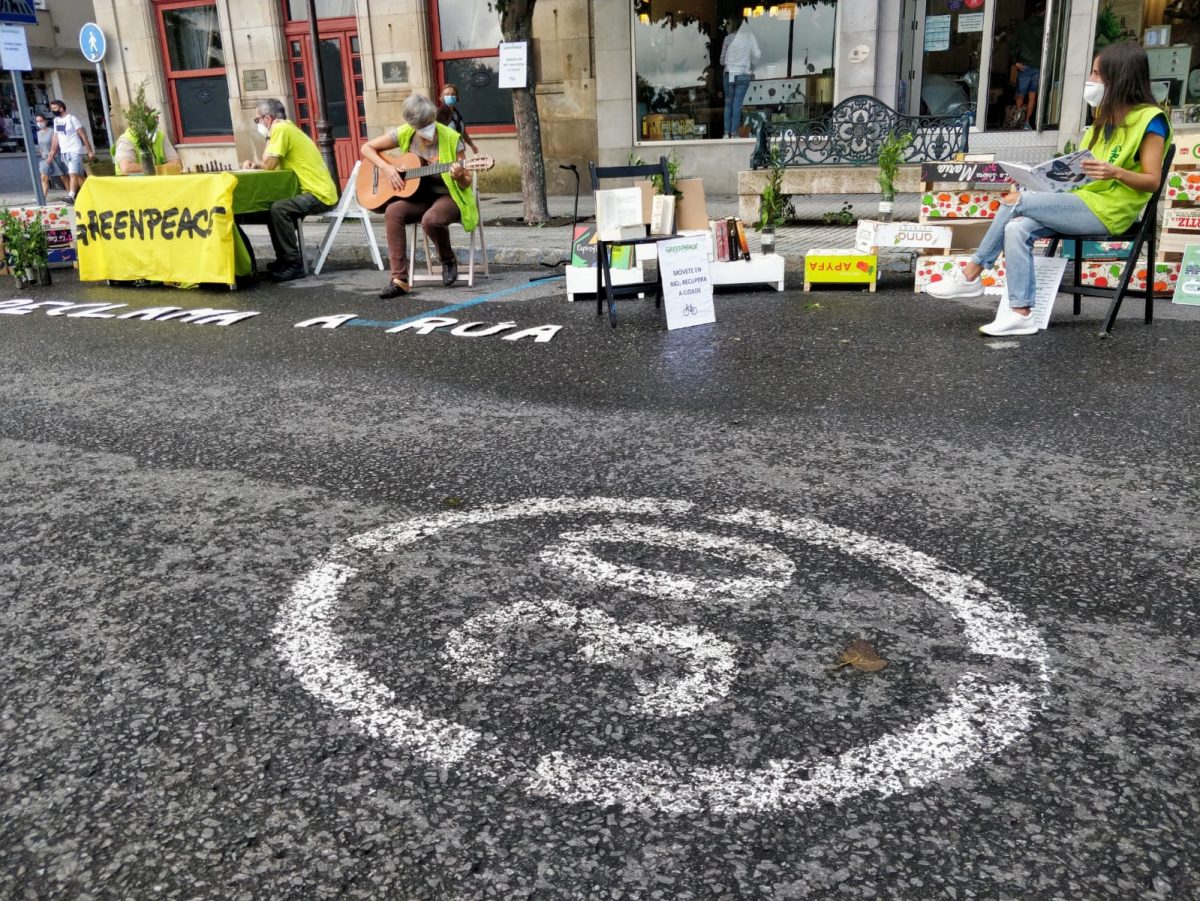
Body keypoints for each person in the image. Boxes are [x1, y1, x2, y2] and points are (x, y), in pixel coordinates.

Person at [926, 42, 1170, 337]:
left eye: (1096, 73)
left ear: (1120, 77)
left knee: (1017, 201)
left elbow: (1152, 181)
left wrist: (1115, 172)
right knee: (1016, 227)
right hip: (1082, 201)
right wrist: (1050, 179)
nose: (1091, 80)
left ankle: (972, 274)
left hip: (1111, 211)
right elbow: (1082, 172)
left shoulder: (1150, 120)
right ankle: (1020, 313)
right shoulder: (1103, 118)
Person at [360, 93, 478, 299]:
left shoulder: (452, 138)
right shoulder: (405, 133)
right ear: (412, 125)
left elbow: (467, 181)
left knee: (431, 220)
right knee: (393, 211)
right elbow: (366, 148)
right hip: (419, 195)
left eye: (429, 123)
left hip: (449, 196)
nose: (427, 129)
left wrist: (459, 175)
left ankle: (447, 259)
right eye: (422, 126)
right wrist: (388, 168)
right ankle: (399, 280)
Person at [241, 98, 338, 282]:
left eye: (257, 120)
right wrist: (257, 165)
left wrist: (269, 137)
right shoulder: (288, 128)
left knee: (279, 209)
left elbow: (269, 164)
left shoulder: (280, 129)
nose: (258, 124)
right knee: (272, 209)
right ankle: (284, 260)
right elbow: (271, 165)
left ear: (267, 119)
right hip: (315, 191)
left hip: (319, 194)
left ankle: (293, 264)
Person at [46, 100, 95, 203]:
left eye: (54, 108)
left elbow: (83, 135)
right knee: (78, 175)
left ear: (61, 108)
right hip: (64, 151)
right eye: (52, 109)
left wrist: (89, 151)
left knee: (72, 173)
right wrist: (52, 151)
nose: (53, 110)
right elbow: (56, 136)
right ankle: (91, 194)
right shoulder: (56, 120)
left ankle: (71, 196)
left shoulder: (72, 119)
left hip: (74, 149)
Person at [721, 17, 760, 139]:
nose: (726, 27)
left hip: (730, 74)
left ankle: (726, 133)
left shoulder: (728, 38)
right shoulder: (750, 37)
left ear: (733, 25)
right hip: (743, 74)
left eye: (728, 24)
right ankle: (734, 133)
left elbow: (722, 61)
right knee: (737, 104)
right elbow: (757, 55)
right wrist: (751, 67)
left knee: (728, 104)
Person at [1012, 2, 1046, 130]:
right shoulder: (1045, 26)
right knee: (1032, 95)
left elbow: (1014, 44)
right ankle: (1026, 123)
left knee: (1020, 94)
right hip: (1038, 65)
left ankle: (1018, 120)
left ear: (1032, 12)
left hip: (1024, 65)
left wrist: (1015, 61)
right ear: (1043, 13)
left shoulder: (1022, 26)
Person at [113, 115, 181, 175]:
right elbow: (126, 168)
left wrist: (157, 169)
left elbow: (177, 163)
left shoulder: (160, 135)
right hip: (131, 183)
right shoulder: (126, 140)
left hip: (157, 181)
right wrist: (158, 169)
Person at [436, 83, 479, 155]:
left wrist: (472, 145)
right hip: (447, 152)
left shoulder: (456, 113)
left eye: (453, 94)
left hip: (459, 150)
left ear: (456, 97)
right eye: (447, 94)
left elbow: (463, 132)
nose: (450, 96)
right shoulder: (439, 113)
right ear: (442, 97)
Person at [34, 113, 67, 196]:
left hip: (55, 156)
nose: (39, 123)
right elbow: (40, 146)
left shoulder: (52, 131)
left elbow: (56, 145)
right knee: (43, 177)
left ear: (45, 121)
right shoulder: (38, 133)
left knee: (63, 177)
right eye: (37, 121)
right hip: (45, 158)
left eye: (41, 121)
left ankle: (71, 194)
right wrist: (42, 153)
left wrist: (52, 155)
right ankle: (43, 197)